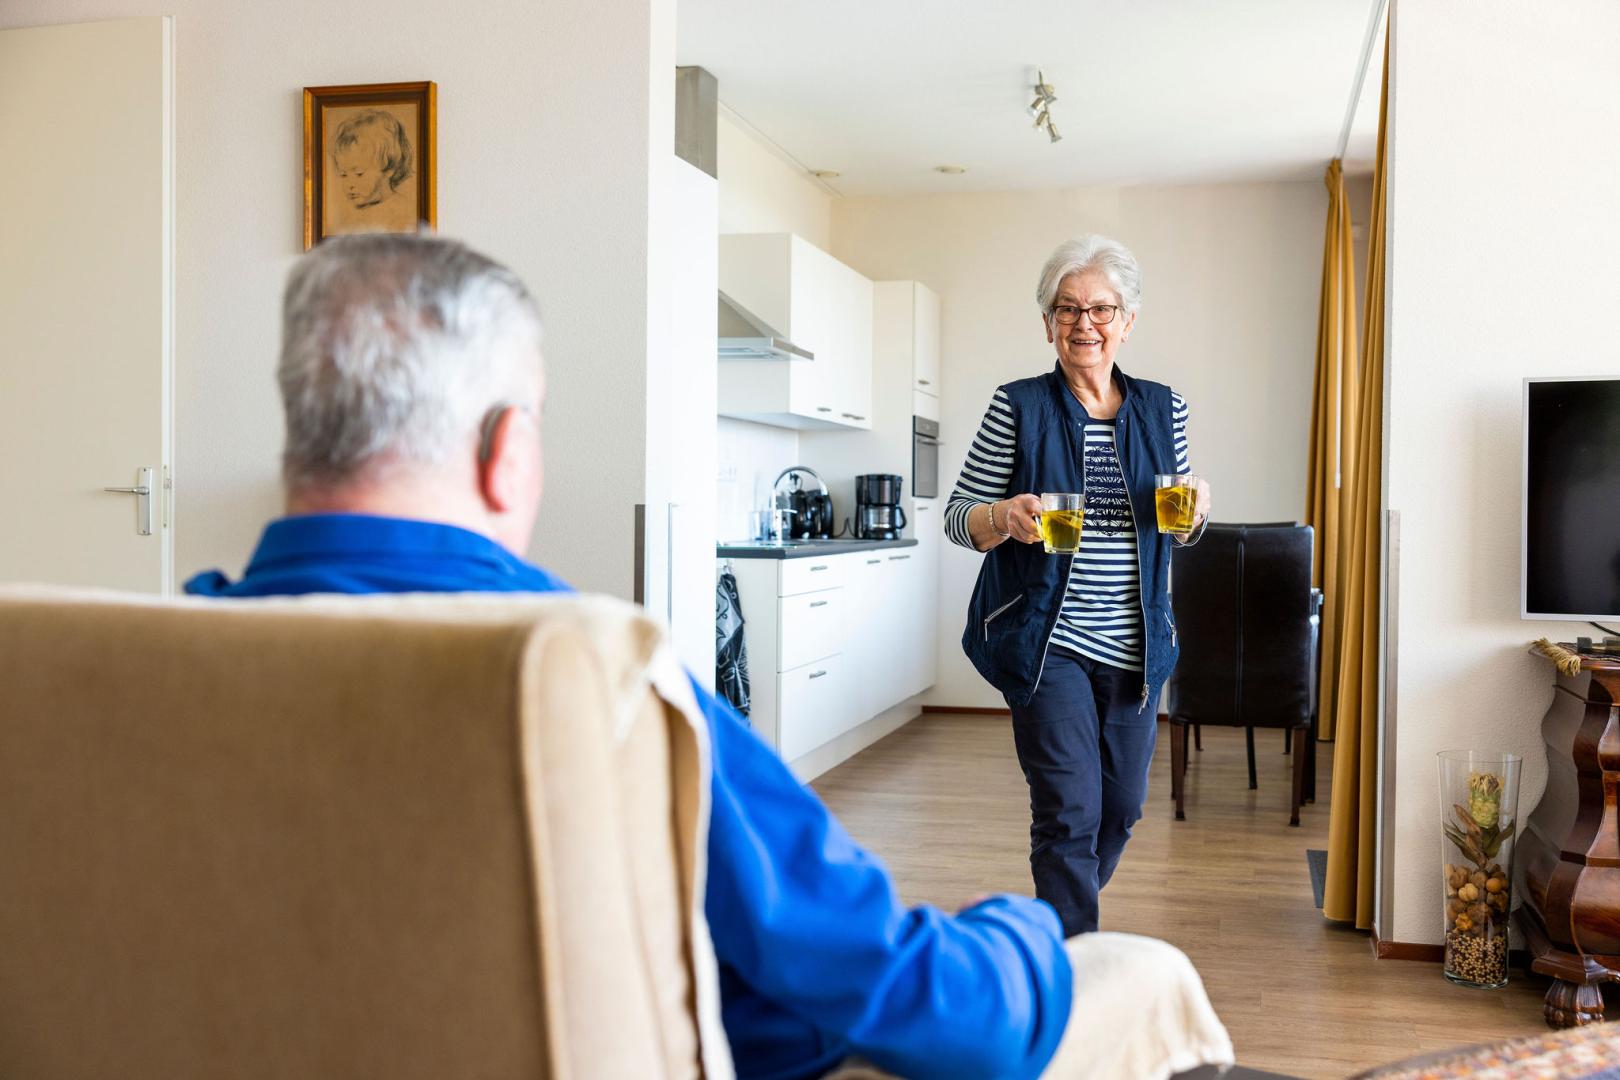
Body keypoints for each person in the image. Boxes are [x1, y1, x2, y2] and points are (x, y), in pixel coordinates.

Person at [186, 233, 1073, 1080]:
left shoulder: (144, 667)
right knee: (1139, 983)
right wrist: (1029, 932)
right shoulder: (596, 679)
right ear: (509, 452)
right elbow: (930, 1006)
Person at [945, 235, 1211, 938]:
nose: (1083, 324)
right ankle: (1070, 964)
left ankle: (1040, 925)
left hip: (1136, 644)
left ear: (1128, 321)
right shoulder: (1019, 407)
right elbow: (957, 517)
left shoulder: (1164, 410)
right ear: (1047, 324)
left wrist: (1197, 516)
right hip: (1047, 642)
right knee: (1069, 811)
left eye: (1100, 309)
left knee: (1119, 809)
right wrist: (1002, 516)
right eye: (1067, 309)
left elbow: (1178, 529)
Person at [331, 109, 413, 213]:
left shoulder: (402, 211)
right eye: (343, 175)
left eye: (359, 174)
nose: (349, 184)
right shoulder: (348, 212)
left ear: (389, 168)